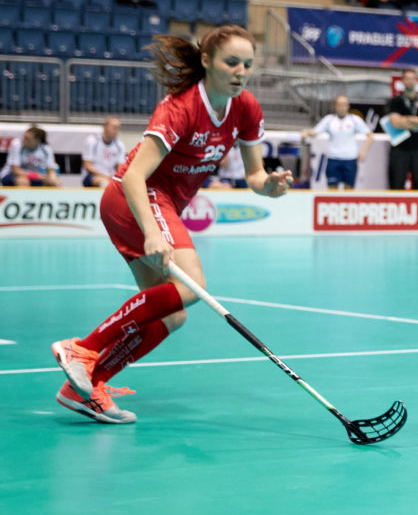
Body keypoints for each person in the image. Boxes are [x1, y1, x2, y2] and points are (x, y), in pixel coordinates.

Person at [50, 26, 293, 424]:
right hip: (137, 196)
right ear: (207, 61)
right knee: (190, 286)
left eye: (248, 64)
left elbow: (254, 177)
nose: (241, 71)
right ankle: (82, 349)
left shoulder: (246, 108)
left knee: (172, 314)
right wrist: (152, 233)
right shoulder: (180, 107)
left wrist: (270, 186)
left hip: (158, 205)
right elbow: (133, 177)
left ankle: (85, 385)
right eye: (231, 62)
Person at [302, 94, 374, 189]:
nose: (342, 107)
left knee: (348, 191)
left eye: (344, 105)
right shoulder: (329, 120)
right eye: (339, 105)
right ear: (335, 106)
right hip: (334, 159)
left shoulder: (354, 120)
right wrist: (306, 132)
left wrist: (364, 151)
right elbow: (315, 132)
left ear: (348, 106)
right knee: (332, 191)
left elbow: (370, 135)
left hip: (350, 160)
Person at [385, 68, 418, 189]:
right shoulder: (396, 101)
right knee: (397, 183)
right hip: (399, 149)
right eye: (407, 78)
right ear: (402, 81)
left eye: (412, 78)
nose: (410, 81)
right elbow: (395, 123)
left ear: (417, 80)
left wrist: (406, 120)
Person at [81, 116, 127, 187]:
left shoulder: (120, 146)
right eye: (113, 127)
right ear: (104, 127)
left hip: (111, 177)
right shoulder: (92, 141)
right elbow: (87, 166)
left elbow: (120, 167)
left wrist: (113, 176)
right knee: (104, 183)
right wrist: (105, 176)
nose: (115, 130)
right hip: (92, 176)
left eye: (118, 128)